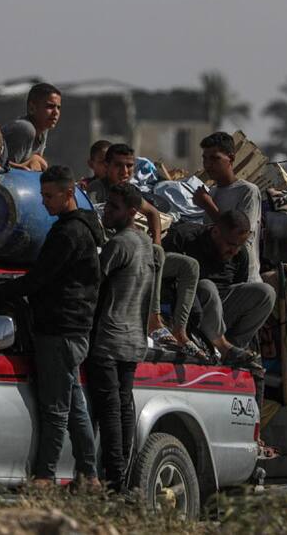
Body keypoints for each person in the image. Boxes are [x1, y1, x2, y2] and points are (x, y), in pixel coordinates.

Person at [0, 165, 102, 488]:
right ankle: (89, 475)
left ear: (69, 194)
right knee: (75, 405)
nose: (44, 203)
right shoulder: (88, 229)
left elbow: (38, 280)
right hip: (76, 330)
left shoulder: (69, 233)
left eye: (50, 196)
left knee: (55, 408)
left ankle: (44, 477)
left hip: (59, 330)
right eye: (41, 195)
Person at [86, 183, 155, 492]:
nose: (106, 212)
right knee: (123, 406)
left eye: (113, 207)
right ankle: (123, 478)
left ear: (131, 212)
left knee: (110, 409)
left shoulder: (119, 244)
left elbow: (94, 287)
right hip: (133, 339)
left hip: (109, 339)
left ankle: (115, 478)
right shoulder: (146, 244)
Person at [161, 211, 274, 367]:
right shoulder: (185, 237)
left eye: (239, 246)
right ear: (215, 232)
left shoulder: (239, 255)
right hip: (188, 309)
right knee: (207, 286)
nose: (234, 251)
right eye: (231, 244)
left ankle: (234, 349)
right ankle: (223, 347)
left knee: (265, 293)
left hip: (219, 312)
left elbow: (238, 284)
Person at [192, 132, 263, 283]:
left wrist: (208, 205)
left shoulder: (248, 191)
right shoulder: (213, 191)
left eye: (215, 158)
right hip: (219, 276)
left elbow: (241, 237)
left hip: (243, 278)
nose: (208, 164)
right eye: (205, 158)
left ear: (231, 158)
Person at [83, 143, 163, 244]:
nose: (124, 171)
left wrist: (157, 243)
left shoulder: (128, 190)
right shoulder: (97, 189)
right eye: (118, 165)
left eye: (129, 166)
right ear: (107, 166)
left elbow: (152, 212)